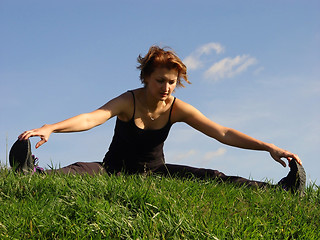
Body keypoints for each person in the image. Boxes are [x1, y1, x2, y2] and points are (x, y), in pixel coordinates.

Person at [9, 45, 306, 193]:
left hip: (156, 172)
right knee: (77, 170)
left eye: (172, 82)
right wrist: (51, 128)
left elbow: (222, 132)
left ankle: (281, 189)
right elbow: (92, 118)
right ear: (146, 78)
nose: (166, 88)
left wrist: (268, 147)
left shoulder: (176, 107)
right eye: (160, 81)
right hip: (113, 169)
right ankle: (29, 172)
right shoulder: (129, 100)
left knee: (213, 177)